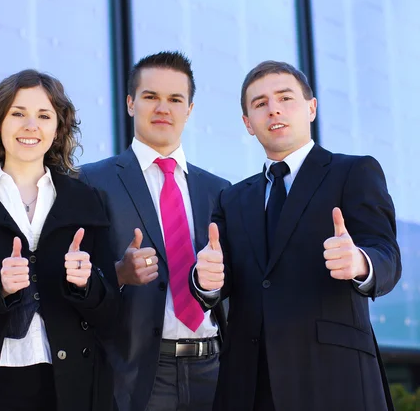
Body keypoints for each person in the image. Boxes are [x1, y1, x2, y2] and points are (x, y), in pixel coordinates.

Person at [193, 60, 401, 411]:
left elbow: (387, 255)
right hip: (249, 384)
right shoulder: (232, 198)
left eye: (285, 98)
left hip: (335, 379)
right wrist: (205, 281)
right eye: (259, 104)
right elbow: (219, 278)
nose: (273, 108)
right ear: (248, 124)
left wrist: (360, 262)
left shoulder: (354, 171)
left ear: (311, 107)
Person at [0, 69, 119, 411]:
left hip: (70, 384)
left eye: (44, 115)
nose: (30, 125)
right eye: (18, 113)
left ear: (58, 127)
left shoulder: (87, 200)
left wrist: (86, 284)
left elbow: (110, 310)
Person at [80, 51, 231, 411]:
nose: (163, 108)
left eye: (175, 99)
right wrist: (119, 273)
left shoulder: (220, 190)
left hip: (214, 369)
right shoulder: (91, 182)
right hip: (135, 375)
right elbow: (74, 285)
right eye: (151, 97)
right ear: (131, 103)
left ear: (189, 110)